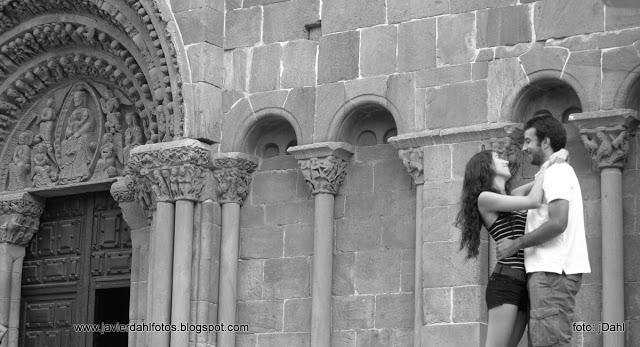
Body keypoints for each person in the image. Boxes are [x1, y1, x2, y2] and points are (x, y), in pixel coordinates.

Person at [496, 114, 590, 347]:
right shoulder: (553, 171)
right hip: (548, 274)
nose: (524, 147)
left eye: (528, 141)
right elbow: (519, 196)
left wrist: (515, 244)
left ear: (545, 142)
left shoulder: (558, 173)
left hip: (552, 274)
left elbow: (558, 223)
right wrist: (548, 165)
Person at [456, 149, 549, 347]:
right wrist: (546, 168)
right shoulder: (485, 198)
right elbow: (533, 201)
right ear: (486, 167)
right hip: (506, 282)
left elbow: (543, 184)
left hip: (524, 283)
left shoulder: (514, 195)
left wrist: (553, 168)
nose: (505, 160)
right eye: (497, 158)